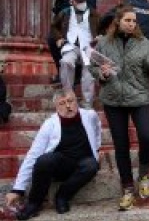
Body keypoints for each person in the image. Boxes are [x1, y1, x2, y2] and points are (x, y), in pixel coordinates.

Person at [89, 5, 149, 211]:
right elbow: (92, 66)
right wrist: (102, 73)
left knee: (146, 136)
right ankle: (127, 188)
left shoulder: (144, 44)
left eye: (134, 21)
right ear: (118, 21)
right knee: (121, 145)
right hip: (113, 100)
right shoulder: (104, 44)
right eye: (128, 20)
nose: (132, 24)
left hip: (140, 98)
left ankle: (143, 176)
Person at [4, 90, 101, 220]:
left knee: (91, 165)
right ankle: (34, 203)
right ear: (56, 107)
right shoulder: (50, 124)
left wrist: (97, 148)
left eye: (70, 101)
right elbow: (33, 155)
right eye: (62, 103)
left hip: (82, 163)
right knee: (44, 160)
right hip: (60, 165)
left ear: (76, 102)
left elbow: (97, 129)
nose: (68, 106)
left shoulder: (90, 115)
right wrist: (17, 189)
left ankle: (62, 196)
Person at [51, 0, 100, 109]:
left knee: (89, 68)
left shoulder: (94, 14)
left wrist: (100, 36)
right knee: (66, 62)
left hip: (88, 45)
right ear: (72, 1)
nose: (82, 3)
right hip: (71, 45)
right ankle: (69, 95)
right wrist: (58, 38)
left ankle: (87, 102)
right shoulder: (65, 12)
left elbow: (104, 28)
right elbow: (54, 26)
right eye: (79, 1)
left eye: (83, 1)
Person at [49, 0, 97, 84]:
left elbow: (91, 8)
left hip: (80, 21)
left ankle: (76, 73)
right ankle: (61, 72)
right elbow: (59, 4)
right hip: (64, 19)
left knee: (78, 44)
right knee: (52, 39)